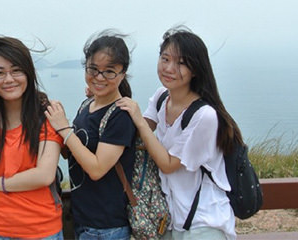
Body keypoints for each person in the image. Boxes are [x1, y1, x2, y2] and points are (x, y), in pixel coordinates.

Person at [116, 26, 239, 239]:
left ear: (196, 70)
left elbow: (169, 164)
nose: (169, 68)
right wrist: (107, 93)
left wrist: (140, 122)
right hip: (170, 219)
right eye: (165, 59)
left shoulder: (204, 116)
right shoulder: (162, 96)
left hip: (204, 221)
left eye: (181, 63)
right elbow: (136, 134)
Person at [0, 36, 63, 239]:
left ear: (28, 73)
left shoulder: (46, 114)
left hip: (39, 229)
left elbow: (44, 175)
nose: (9, 79)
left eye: (16, 70)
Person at [44, 30, 136, 240]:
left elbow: (96, 168)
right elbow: (75, 152)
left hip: (107, 227)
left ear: (122, 74)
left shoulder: (121, 115)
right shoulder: (88, 105)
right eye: (93, 69)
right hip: (83, 220)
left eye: (110, 71)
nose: (99, 77)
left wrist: (65, 129)